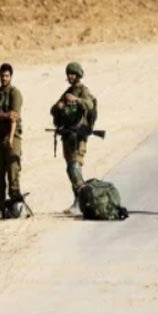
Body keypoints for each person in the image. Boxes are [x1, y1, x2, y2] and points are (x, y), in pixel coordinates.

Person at [50, 62, 95, 215]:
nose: (70, 76)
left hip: (79, 136)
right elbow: (53, 109)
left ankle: (83, 201)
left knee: (74, 167)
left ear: (78, 75)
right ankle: (78, 200)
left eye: (72, 74)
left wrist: (76, 99)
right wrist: (60, 105)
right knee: (71, 169)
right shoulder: (68, 91)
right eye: (68, 74)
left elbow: (89, 105)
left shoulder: (83, 91)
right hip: (68, 136)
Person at [0, 63, 24, 218]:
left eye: (7, 76)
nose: (4, 78)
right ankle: (1, 203)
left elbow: (14, 117)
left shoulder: (15, 93)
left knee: (13, 168)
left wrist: (10, 138)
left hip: (12, 135)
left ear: (11, 77)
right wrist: (4, 115)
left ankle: (15, 201)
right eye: (2, 75)